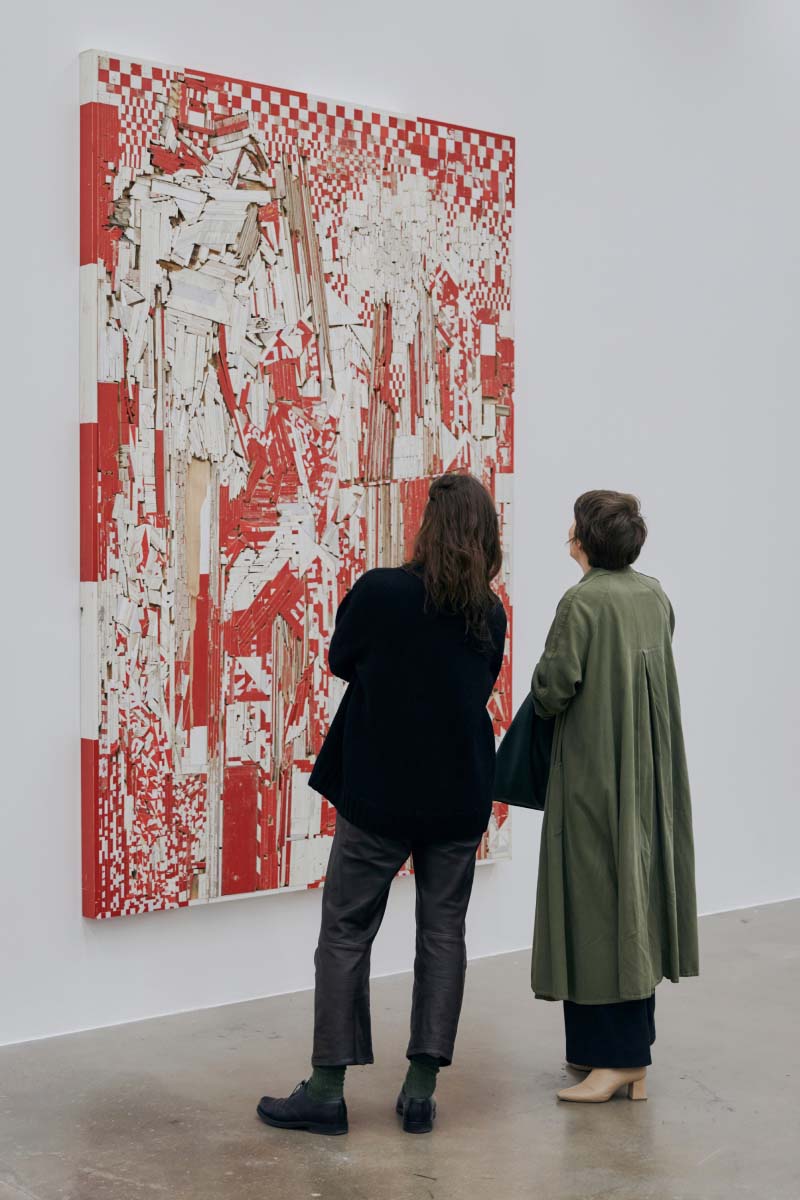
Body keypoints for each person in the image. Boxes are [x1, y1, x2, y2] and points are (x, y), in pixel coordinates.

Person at [257, 472, 507, 1136]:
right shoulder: (490, 611)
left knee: (344, 932)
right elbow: (477, 683)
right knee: (443, 933)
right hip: (457, 796)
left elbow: (343, 660)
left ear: (429, 527)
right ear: (485, 537)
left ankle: (327, 1090)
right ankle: (420, 1092)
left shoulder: (382, 592)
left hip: (379, 794)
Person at [530, 490, 698, 1103]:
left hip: (595, 770)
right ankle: (614, 1058)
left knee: (596, 901)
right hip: (646, 768)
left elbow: (553, 688)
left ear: (585, 539)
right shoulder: (652, 592)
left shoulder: (581, 602)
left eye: (573, 525)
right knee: (635, 894)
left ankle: (618, 1060)